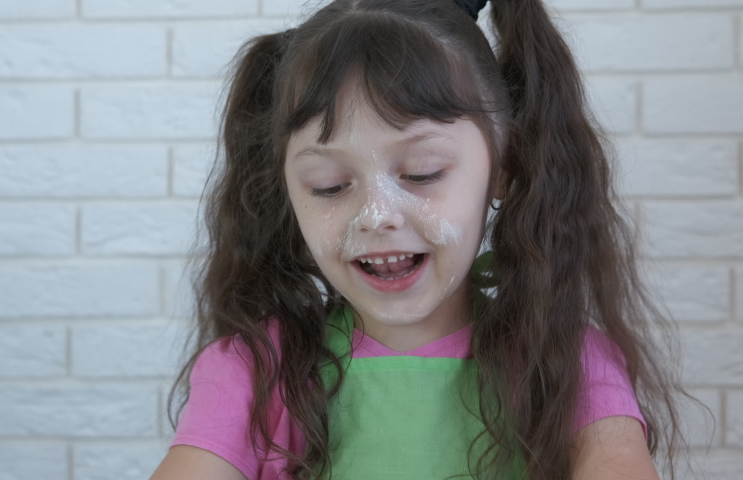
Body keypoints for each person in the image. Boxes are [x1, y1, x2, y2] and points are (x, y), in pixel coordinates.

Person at [150, 0, 689, 478]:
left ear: (505, 167)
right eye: (330, 185)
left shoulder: (568, 363)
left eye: (423, 172)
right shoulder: (253, 371)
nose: (376, 215)